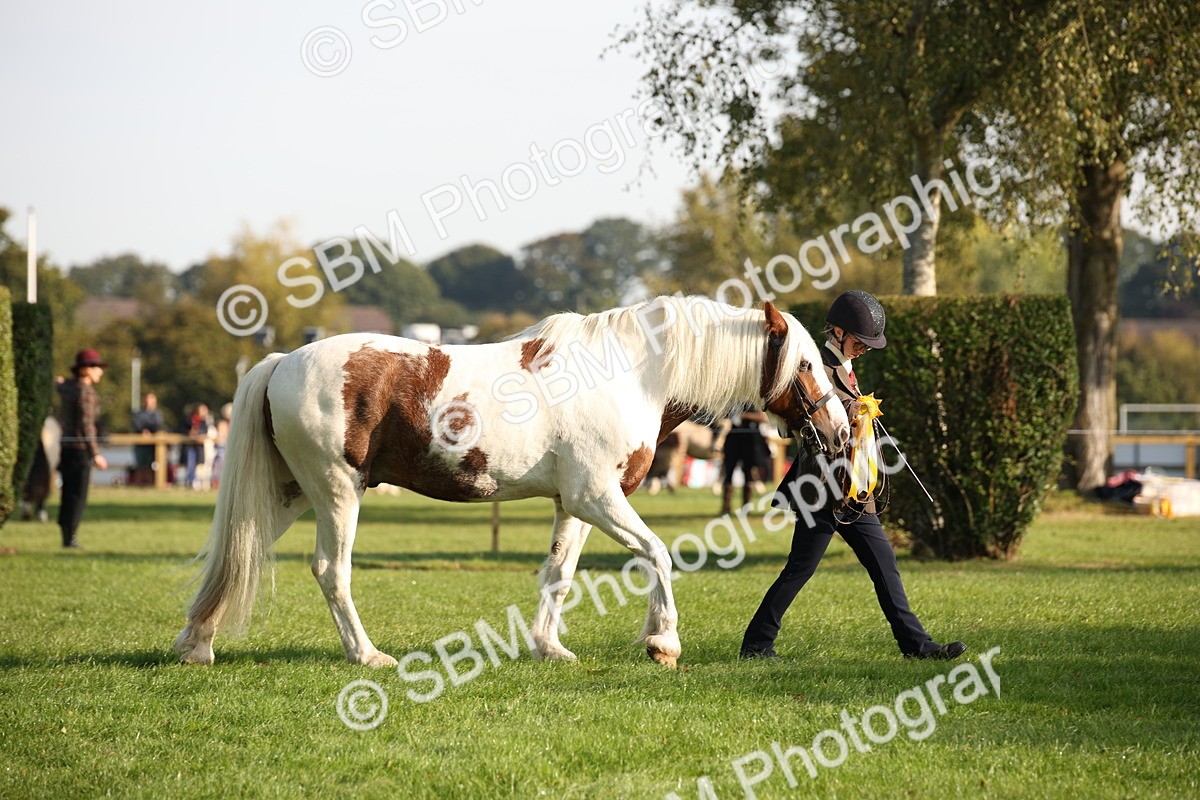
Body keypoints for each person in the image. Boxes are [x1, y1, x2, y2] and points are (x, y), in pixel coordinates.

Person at [740, 290, 966, 661]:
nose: (864, 349)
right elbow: (813, 417)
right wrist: (855, 408)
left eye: (868, 345)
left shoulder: (844, 366)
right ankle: (756, 645)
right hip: (825, 486)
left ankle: (916, 645)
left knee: (879, 563)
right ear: (839, 331)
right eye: (861, 342)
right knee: (802, 569)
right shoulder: (817, 365)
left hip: (853, 487)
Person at [56, 348, 108, 549]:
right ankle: (71, 538)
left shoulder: (70, 388)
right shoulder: (85, 393)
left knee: (67, 493)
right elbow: (87, 425)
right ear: (85, 370)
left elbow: (60, 385)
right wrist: (95, 453)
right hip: (79, 450)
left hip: (66, 447)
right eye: (96, 367)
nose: (100, 372)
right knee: (78, 495)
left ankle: (66, 535)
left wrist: (59, 383)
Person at [720, 407, 770, 515]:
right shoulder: (734, 400)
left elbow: (764, 418)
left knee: (748, 474)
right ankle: (725, 507)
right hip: (733, 438)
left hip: (751, 440)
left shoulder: (755, 401)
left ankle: (746, 507)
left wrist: (743, 415)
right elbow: (722, 415)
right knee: (728, 472)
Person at [131, 392, 163, 485]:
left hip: (153, 444)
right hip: (140, 444)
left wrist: (150, 431)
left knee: (152, 466)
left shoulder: (157, 414)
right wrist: (143, 430)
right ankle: (138, 485)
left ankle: (151, 484)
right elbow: (137, 424)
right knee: (140, 466)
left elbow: (158, 425)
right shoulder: (138, 413)